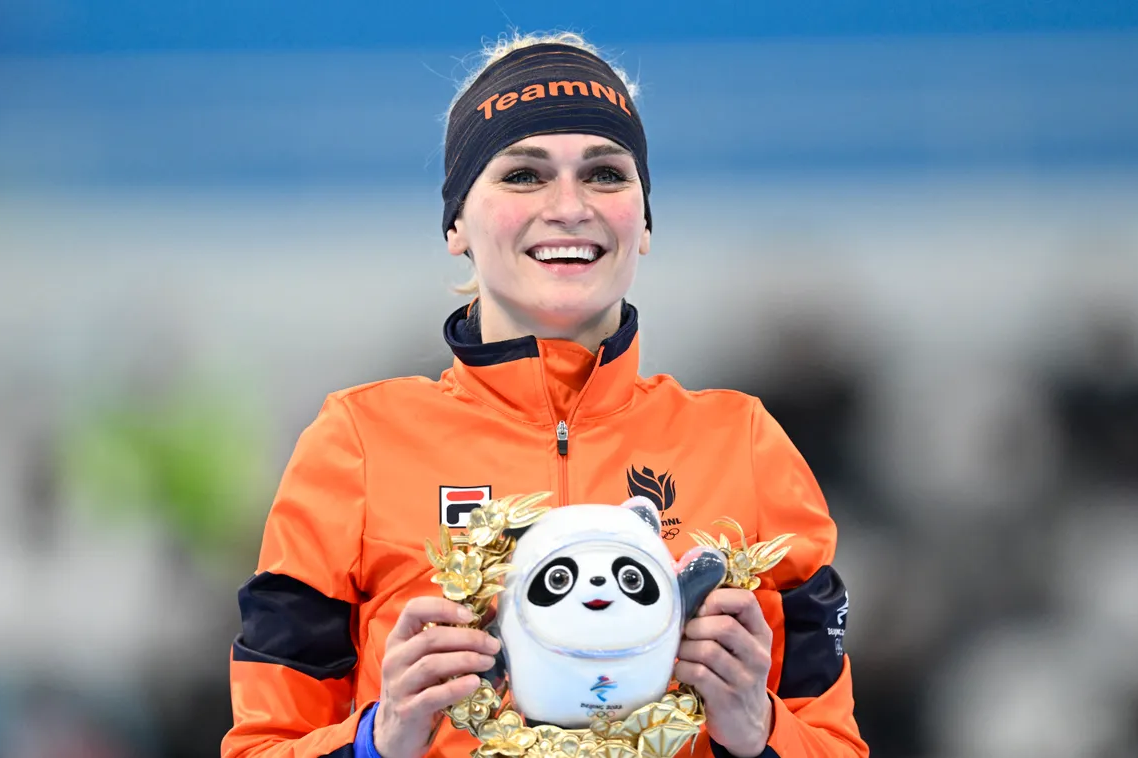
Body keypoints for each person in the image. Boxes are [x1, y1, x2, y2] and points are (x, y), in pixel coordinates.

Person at [222, 31, 867, 758]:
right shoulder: (356, 444)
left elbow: (834, 743)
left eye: (605, 173)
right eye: (524, 175)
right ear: (456, 223)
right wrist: (380, 739)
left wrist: (757, 732)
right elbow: (260, 746)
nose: (569, 206)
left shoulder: (744, 444)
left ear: (644, 222)